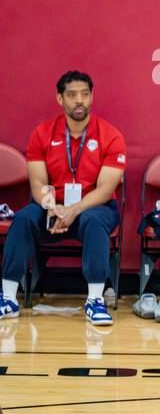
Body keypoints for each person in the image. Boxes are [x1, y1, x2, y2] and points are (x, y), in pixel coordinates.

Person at [1, 71, 126, 326]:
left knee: (93, 220)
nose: (79, 100)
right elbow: (37, 181)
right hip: (52, 206)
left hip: (95, 206)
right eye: (72, 95)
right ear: (60, 99)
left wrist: (74, 209)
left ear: (91, 97)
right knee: (24, 218)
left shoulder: (111, 136)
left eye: (85, 94)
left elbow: (105, 188)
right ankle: (9, 298)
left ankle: (95, 301)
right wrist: (51, 206)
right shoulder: (42, 133)